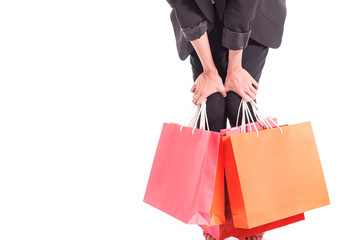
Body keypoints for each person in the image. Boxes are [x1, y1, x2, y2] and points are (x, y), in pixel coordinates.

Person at [166, 0, 287, 239]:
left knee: (237, 102)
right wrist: (209, 71)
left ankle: (253, 211)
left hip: (254, 17)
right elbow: (184, 6)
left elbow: (242, 6)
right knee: (212, 107)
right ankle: (214, 212)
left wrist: (234, 70)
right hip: (202, 21)